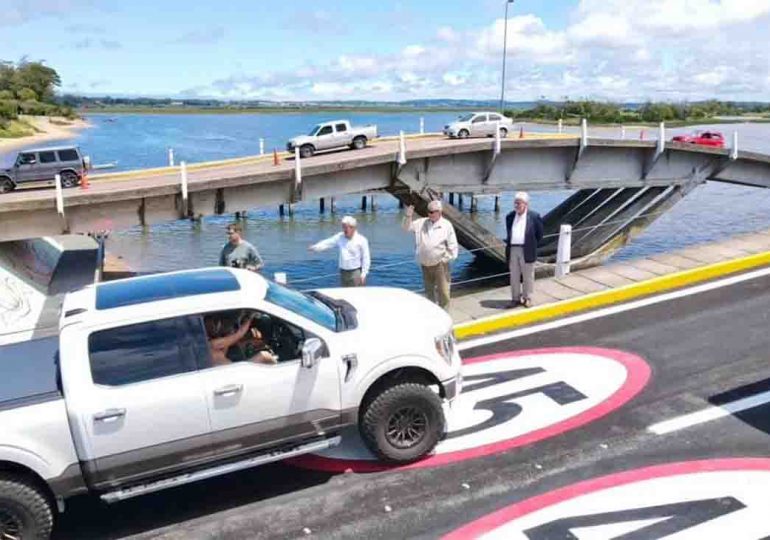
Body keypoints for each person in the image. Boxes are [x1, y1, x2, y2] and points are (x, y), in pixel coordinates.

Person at [402, 200, 458, 310]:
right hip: (425, 264)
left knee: (444, 293)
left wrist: (445, 259)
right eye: (428, 211)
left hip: (440, 265)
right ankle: (433, 316)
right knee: (429, 293)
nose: (430, 214)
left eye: (432, 212)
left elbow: (453, 247)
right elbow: (406, 228)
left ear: (439, 212)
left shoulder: (446, 225)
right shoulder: (421, 222)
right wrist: (408, 216)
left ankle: (445, 315)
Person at [505, 191, 544, 308]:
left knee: (528, 276)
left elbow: (540, 234)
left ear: (526, 204)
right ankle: (515, 298)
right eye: (515, 203)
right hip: (513, 249)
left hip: (527, 249)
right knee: (514, 275)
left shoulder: (534, 217)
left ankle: (528, 298)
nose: (517, 205)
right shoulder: (510, 216)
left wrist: (531, 244)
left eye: (519, 203)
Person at [309, 216, 371, 287]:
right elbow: (328, 243)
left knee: (356, 294)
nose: (344, 230)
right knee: (345, 293)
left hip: (355, 272)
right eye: (343, 227)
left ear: (352, 228)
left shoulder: (362, 240)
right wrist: (315, 247)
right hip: (343, 272)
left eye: (346, 227)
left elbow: (366, 258)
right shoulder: (340, 237)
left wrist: (363, 274)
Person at [205, 313, 277, 366]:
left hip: (229, 368)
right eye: (214, 325)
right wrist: (250, 317)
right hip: (233, 373)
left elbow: (229, 345)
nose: (216, 327)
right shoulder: (212, 344)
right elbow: (239, 334)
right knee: (264, 356)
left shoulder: (208, 348)